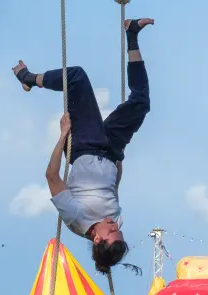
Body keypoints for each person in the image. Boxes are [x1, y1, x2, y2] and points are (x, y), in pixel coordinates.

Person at [12, 17, 154, 272]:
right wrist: (117, 159)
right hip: (111, 149)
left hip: (85, 145)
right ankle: (132, 34)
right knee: (141, 103)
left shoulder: (76, 219)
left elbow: (52, 177)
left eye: (111, 232)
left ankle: (28, 78)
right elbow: (113, 187)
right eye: (118, 231)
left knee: (76, 77)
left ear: (97, 238)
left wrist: (63, 135)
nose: (115, 226)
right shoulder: (115, 219)